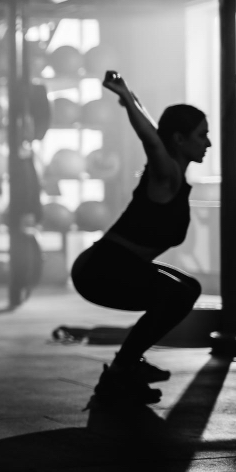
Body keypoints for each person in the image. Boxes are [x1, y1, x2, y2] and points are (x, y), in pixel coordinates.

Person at [71, 71, 209, 405]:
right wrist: (125, 98)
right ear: (179, 140)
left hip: (118, 266)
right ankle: (121, 371)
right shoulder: (166, 175)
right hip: (100, 268)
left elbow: (156, 133)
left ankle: (129, 365)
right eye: (201, 135)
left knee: (188, 289)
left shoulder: (174, 174)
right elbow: (151, 139)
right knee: (175, 293)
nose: (208, 142)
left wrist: (130, 97)